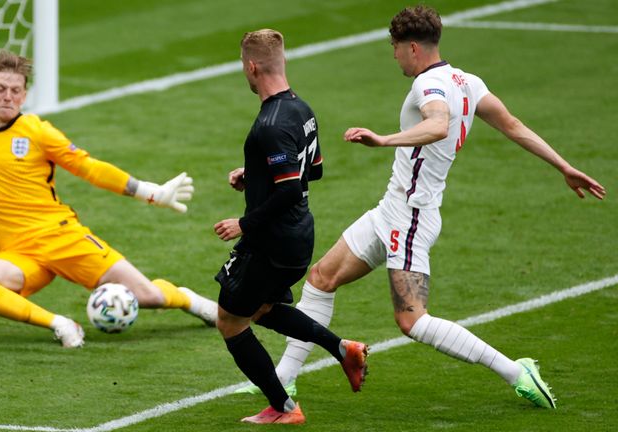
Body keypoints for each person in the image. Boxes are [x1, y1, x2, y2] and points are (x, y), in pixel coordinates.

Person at [238, 5, 606, 408]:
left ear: (412, 47)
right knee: (322, 278)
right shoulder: (468, 81)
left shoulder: (428, 85)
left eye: (395, 47)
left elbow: (438, 124)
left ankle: (517, 371)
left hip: (411, 216)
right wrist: (565, 167)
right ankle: (284, 380)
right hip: (392, 209)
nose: (394, 55)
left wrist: (383, 139)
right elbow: (513, 125)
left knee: (411, 321)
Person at [0, 51, 218, 348]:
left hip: (62, 237)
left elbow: (88, 168)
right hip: (17, 255)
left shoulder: (37, 131)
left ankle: (189, 300)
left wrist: (150, 192)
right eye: (0, 89)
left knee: (149, 296)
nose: (8, 97)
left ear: (24, 94)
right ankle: (61, 324)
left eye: (15, 90)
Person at [213, 29, 369, 425]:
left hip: (270, 241)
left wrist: (242, 223)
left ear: (251, 66)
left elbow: (287, 189)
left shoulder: (271, 123)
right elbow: (311, 171)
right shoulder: (302, 110)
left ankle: (284, 408)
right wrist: (253, 174)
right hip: (298, 236)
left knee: (230, 321)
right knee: (262, 309)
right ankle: (342, 349)